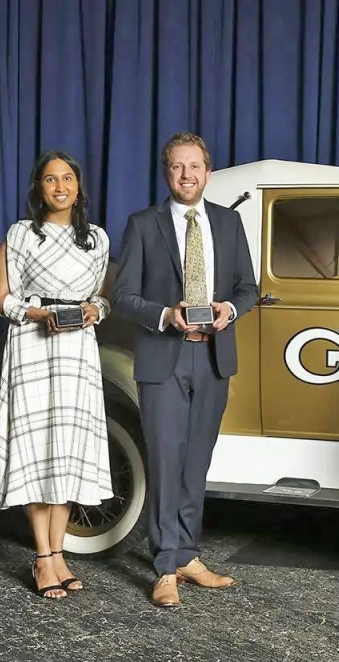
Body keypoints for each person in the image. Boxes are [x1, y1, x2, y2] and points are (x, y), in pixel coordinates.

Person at [113, 132, 258, 608]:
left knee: (196, 462)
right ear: (166, 173)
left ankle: (189, 555)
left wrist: (228, 311)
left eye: (194, 166)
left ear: (208, 172)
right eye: (177, 167)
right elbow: (124, 296)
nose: (187, 175)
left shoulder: (229, 222)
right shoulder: (142, 224)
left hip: (214, 356)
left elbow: (247, 289)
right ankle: (164, 566)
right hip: (164, 357)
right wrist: (164, 315)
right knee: (165, 459)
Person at [0, 150, 113, 599]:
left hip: (78, 350)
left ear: (79, 186)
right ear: (38, 188)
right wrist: (39, 314)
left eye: (67, 179)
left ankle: (59, 553)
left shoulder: (97, 239)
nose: (60, 187)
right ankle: (42, 557)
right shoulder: (21, 234)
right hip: (33, 347)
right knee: (37, 449)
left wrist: (96, 309)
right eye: (50, 179)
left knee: (67, 450)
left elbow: (102, 298)